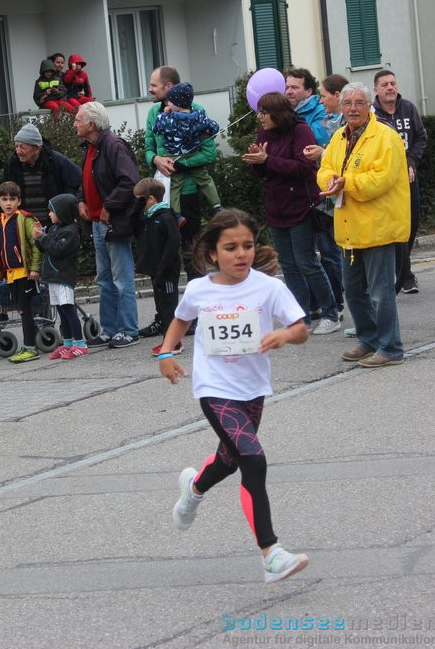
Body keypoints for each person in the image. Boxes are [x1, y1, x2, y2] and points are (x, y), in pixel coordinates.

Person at [157, 209, 310, 584]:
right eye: (231, 247)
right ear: (212, 253)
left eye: (247, 245)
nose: (241, 254)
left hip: (252, 389)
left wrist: (285, 336)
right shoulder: (199, 289)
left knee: (229, 460)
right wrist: (166, 353)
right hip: (214, 388)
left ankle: (193, 490)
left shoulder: (268, 288)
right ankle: (271, 554)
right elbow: (181, 319)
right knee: (253, 460)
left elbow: (301, 328)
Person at [318, 82, 410, 367]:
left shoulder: (386, 137)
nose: (353, 108)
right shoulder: (338, 137)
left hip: (378, 227)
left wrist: (349, 183)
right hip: (349, 227)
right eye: (348, 103)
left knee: (382, 293)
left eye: (359, 102)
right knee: (353, 289)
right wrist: (330, 182)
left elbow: (382, 179)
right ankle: (368, 340)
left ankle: (391, 348)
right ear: (341, 106)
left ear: (369, 105)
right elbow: (325, 168)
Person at [242, 91, 337, 334]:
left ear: (277, 113)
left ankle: (330, 313)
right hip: (276, 207)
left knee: (307, 262)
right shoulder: (265, 133)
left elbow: (305, 168)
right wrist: (257, 162)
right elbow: (264, 173)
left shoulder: (300, 131)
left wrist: (267, 160)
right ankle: (300, 316)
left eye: (264, 113)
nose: (260, 117)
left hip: (301, 206)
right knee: (288, 264)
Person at [75, 102, 141, 348]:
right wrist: (81, 199)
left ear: (91, 124)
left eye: (78, 119)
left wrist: (108, 206)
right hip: (96, 223)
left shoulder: (113, 146)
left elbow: (130, 181)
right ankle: (110, 329)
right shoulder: (91, 148)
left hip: (113, 223)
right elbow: (87, 178)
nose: (75, 123)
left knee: (121, 278)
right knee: (104, 279)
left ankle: (128, 329)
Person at [146, 66, 220, 282]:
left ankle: (199, 306)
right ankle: (167, 312)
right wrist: (155, 159)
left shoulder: (195, 110)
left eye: (153, 85)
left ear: (169, 87)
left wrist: (180, 164)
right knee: (164, 255)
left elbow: (209, 153)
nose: (149, 89)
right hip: (162, 194)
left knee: (192, 252)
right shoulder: (154, 113)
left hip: (188, 193)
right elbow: (148, 147)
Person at [301, 73, 350, 324]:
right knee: (329, 248)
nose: (321, 101)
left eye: (323, 95)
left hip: (337, 194)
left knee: (333, 250)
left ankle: (340, 302)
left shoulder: (337, 122)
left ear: (337, 95)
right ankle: (337, 300)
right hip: (325, 192)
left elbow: (341, 157)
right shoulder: (329, 119)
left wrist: (322, 151)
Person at [372, 70, 427, 295]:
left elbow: (421, 137)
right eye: (384, 84)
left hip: (407, 178)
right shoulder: (372, 114)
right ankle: (405, 274)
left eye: (393, 83)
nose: (390, 88)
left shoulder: (408, 108)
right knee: (391, 227)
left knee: (410, 224)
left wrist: (411, 162)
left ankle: (403, 268)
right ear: (376, 89)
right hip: (384, 181)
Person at [152, 83, 223, 221]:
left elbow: (157, 128)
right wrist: (209, 131)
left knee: (175, 186)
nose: (168, 103)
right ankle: (216, 206)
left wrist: (164, 113)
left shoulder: (169, 119)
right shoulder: (198, 116)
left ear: (176, 103)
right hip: (193, 153)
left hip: (175, 157)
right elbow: (214, 126)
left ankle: (177, 215)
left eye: (170, 101)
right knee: (205, 180)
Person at [0, 181, 43, 363]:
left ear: (19, 201)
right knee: (21, 309)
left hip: (25, 273)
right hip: (11, 274)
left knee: (24, 309)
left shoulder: (25, 219)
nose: (8, 203)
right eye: (4, 199)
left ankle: (30, 348)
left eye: (12, 199)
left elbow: (35, 245)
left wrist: (35, 267)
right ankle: (35, 339)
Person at [33, 193, 88, 359]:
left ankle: (80, 343)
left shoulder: (70, 232)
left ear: (63, 213)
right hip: (52, 278)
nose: (49, 214)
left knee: (68, 310)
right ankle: (68, 342)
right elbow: (46, 248)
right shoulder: (54, 228)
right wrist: (39, 237)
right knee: (60, 311)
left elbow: (57, 249)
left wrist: (43, 238)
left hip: (63, 277)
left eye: (52, 211)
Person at [133, 177, 182, 353]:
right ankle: (168, 340)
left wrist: (163, 268)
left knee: (169, 307)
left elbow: (174, 243)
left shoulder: (166, 217)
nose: (137, 204)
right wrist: (137, 207)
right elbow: (133, 225)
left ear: (151, 199)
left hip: (167, 271)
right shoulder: (149, 218)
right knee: (161, 307)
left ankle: (174, 344)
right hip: (157, 271)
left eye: (139, 200)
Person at [4, 123, 82, 224]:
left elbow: (81, 182)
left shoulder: (56, 161)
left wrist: (69, 208)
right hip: (23, 224)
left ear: (37, 148)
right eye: (16, 146)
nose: (18, 151)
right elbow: (5, 193)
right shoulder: (12, 164)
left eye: (23, 147)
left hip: (53, 225)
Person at [285, 67, 331, 146]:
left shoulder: (322, 112)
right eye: (287, 87)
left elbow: (319, 142)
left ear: (309, 91)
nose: (289, 92)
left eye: (294, 87)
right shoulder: (283, 111)